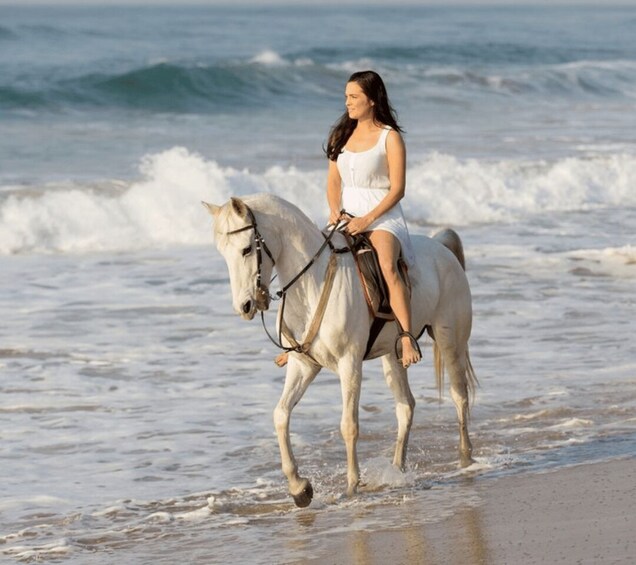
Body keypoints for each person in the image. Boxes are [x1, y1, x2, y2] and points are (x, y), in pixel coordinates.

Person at [325, 70, 421, 368]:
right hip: (345, 216)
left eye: (354, 97)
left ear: (372, 100)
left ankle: (406, 335)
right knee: (315, 259)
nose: (348, 102)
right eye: (346, 97)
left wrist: (367, 220)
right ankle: (301, 341)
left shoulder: (389, 138)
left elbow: (398, 190)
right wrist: (334, 210)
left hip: (381, 216)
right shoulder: (341, 134)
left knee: (386, 265)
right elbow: (332, 182)